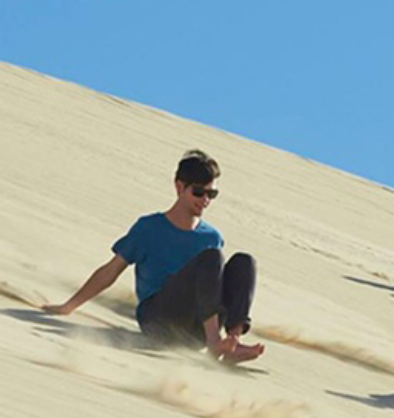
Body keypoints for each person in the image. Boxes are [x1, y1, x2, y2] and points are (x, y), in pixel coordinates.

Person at [41, 150, 264, 363]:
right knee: (212, 258)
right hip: (158, 321)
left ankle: (233, 343)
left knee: (244, 262)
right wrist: (68, 307)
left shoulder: (212, 236)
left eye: (211, 194)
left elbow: (213, 287)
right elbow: (111, 271)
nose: (205, 200)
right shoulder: (149, 228)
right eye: (198, 192)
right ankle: (215, 342)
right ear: (179, 187)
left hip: (195, 332)